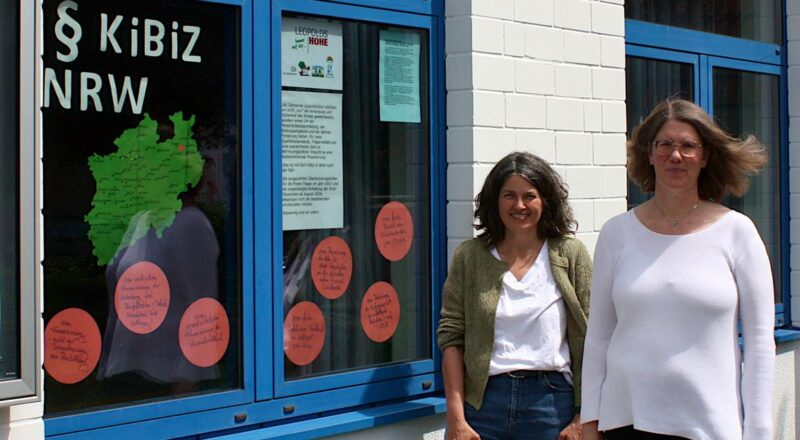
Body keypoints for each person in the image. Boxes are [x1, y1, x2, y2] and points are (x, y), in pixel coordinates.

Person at [580, 98, 774, 440]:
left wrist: (758, 431)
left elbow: (759, 342)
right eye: (665, 144)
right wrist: (590, 419)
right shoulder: (617, 233)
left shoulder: (737, 232)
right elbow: (598, 337)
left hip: (709, 425)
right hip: (628, 422)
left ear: (705, 156)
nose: (676, 155)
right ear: (649, 153)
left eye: (688, 146)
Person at [438, 152, 592, 440]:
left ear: (545, 200)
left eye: (529, 196)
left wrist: (583, 415)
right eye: (509, 195)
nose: (519, 205)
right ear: (495, 201)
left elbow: (594, 338)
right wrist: (456, 417)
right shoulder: (469, 257)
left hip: (552, 402)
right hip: (484, 405)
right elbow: (451, 338)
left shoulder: (570, 255)